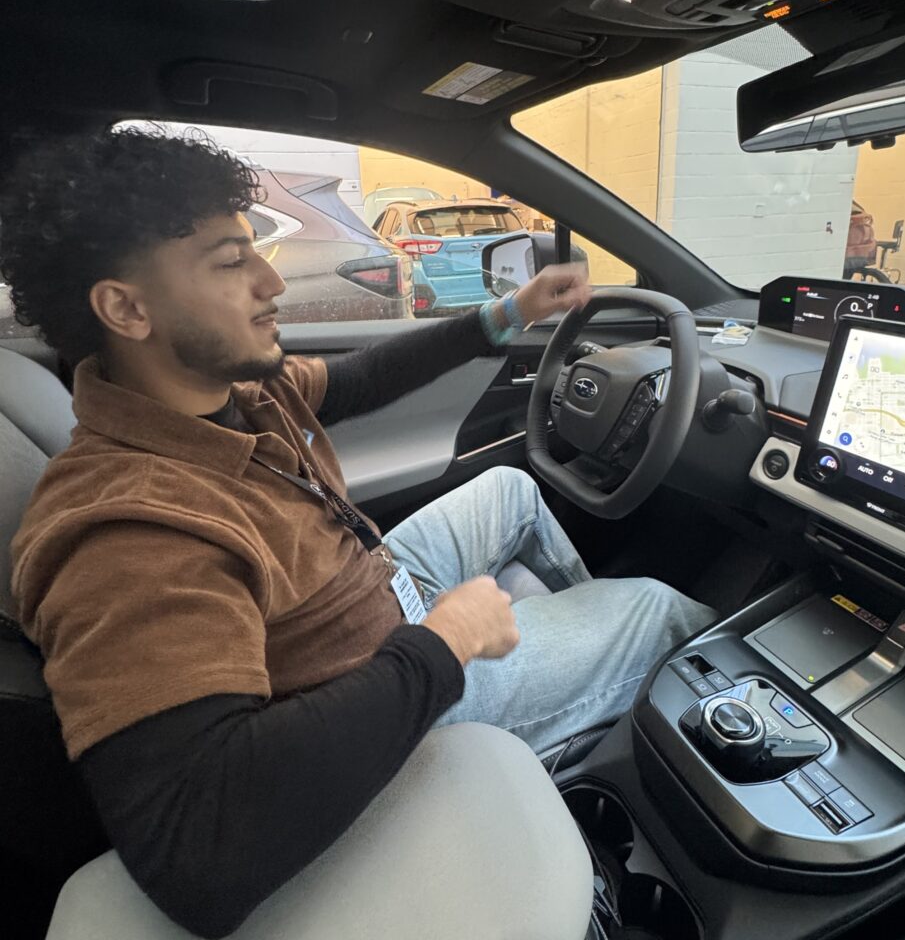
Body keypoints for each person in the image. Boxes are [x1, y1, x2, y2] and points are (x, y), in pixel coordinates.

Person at [1, 127, 715, 937]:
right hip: (389, 700)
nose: (272, 280)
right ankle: (623, 678)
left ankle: (592, 704)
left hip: (368, 595)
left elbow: (364, 377)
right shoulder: (127, 537)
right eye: (231, 261)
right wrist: (444, 648)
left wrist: (511, 311)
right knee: (653, 607)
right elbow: (196, 850)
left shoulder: (233, 391)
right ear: (125, 308)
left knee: (511, 491)